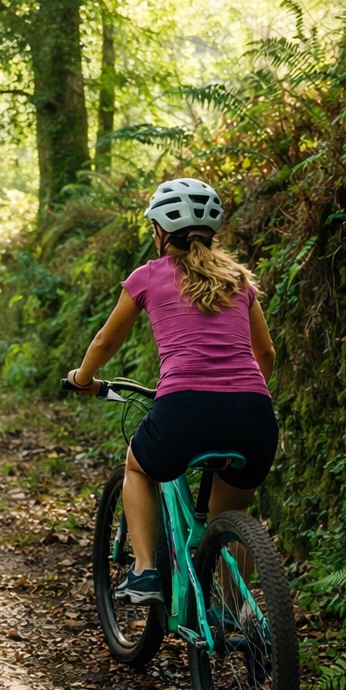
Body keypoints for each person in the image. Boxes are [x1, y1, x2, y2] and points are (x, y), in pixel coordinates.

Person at [66, 177, 277, 605]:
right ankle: (234, 615)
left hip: (184, 407)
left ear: (160, 230)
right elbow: (266, 354)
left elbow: (106, 341)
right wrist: (240, 398)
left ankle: (144, 572)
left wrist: (83, 378)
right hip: (254, 415)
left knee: (139, 468)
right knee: (232, 514)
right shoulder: (238, 279)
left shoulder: (148, 276)